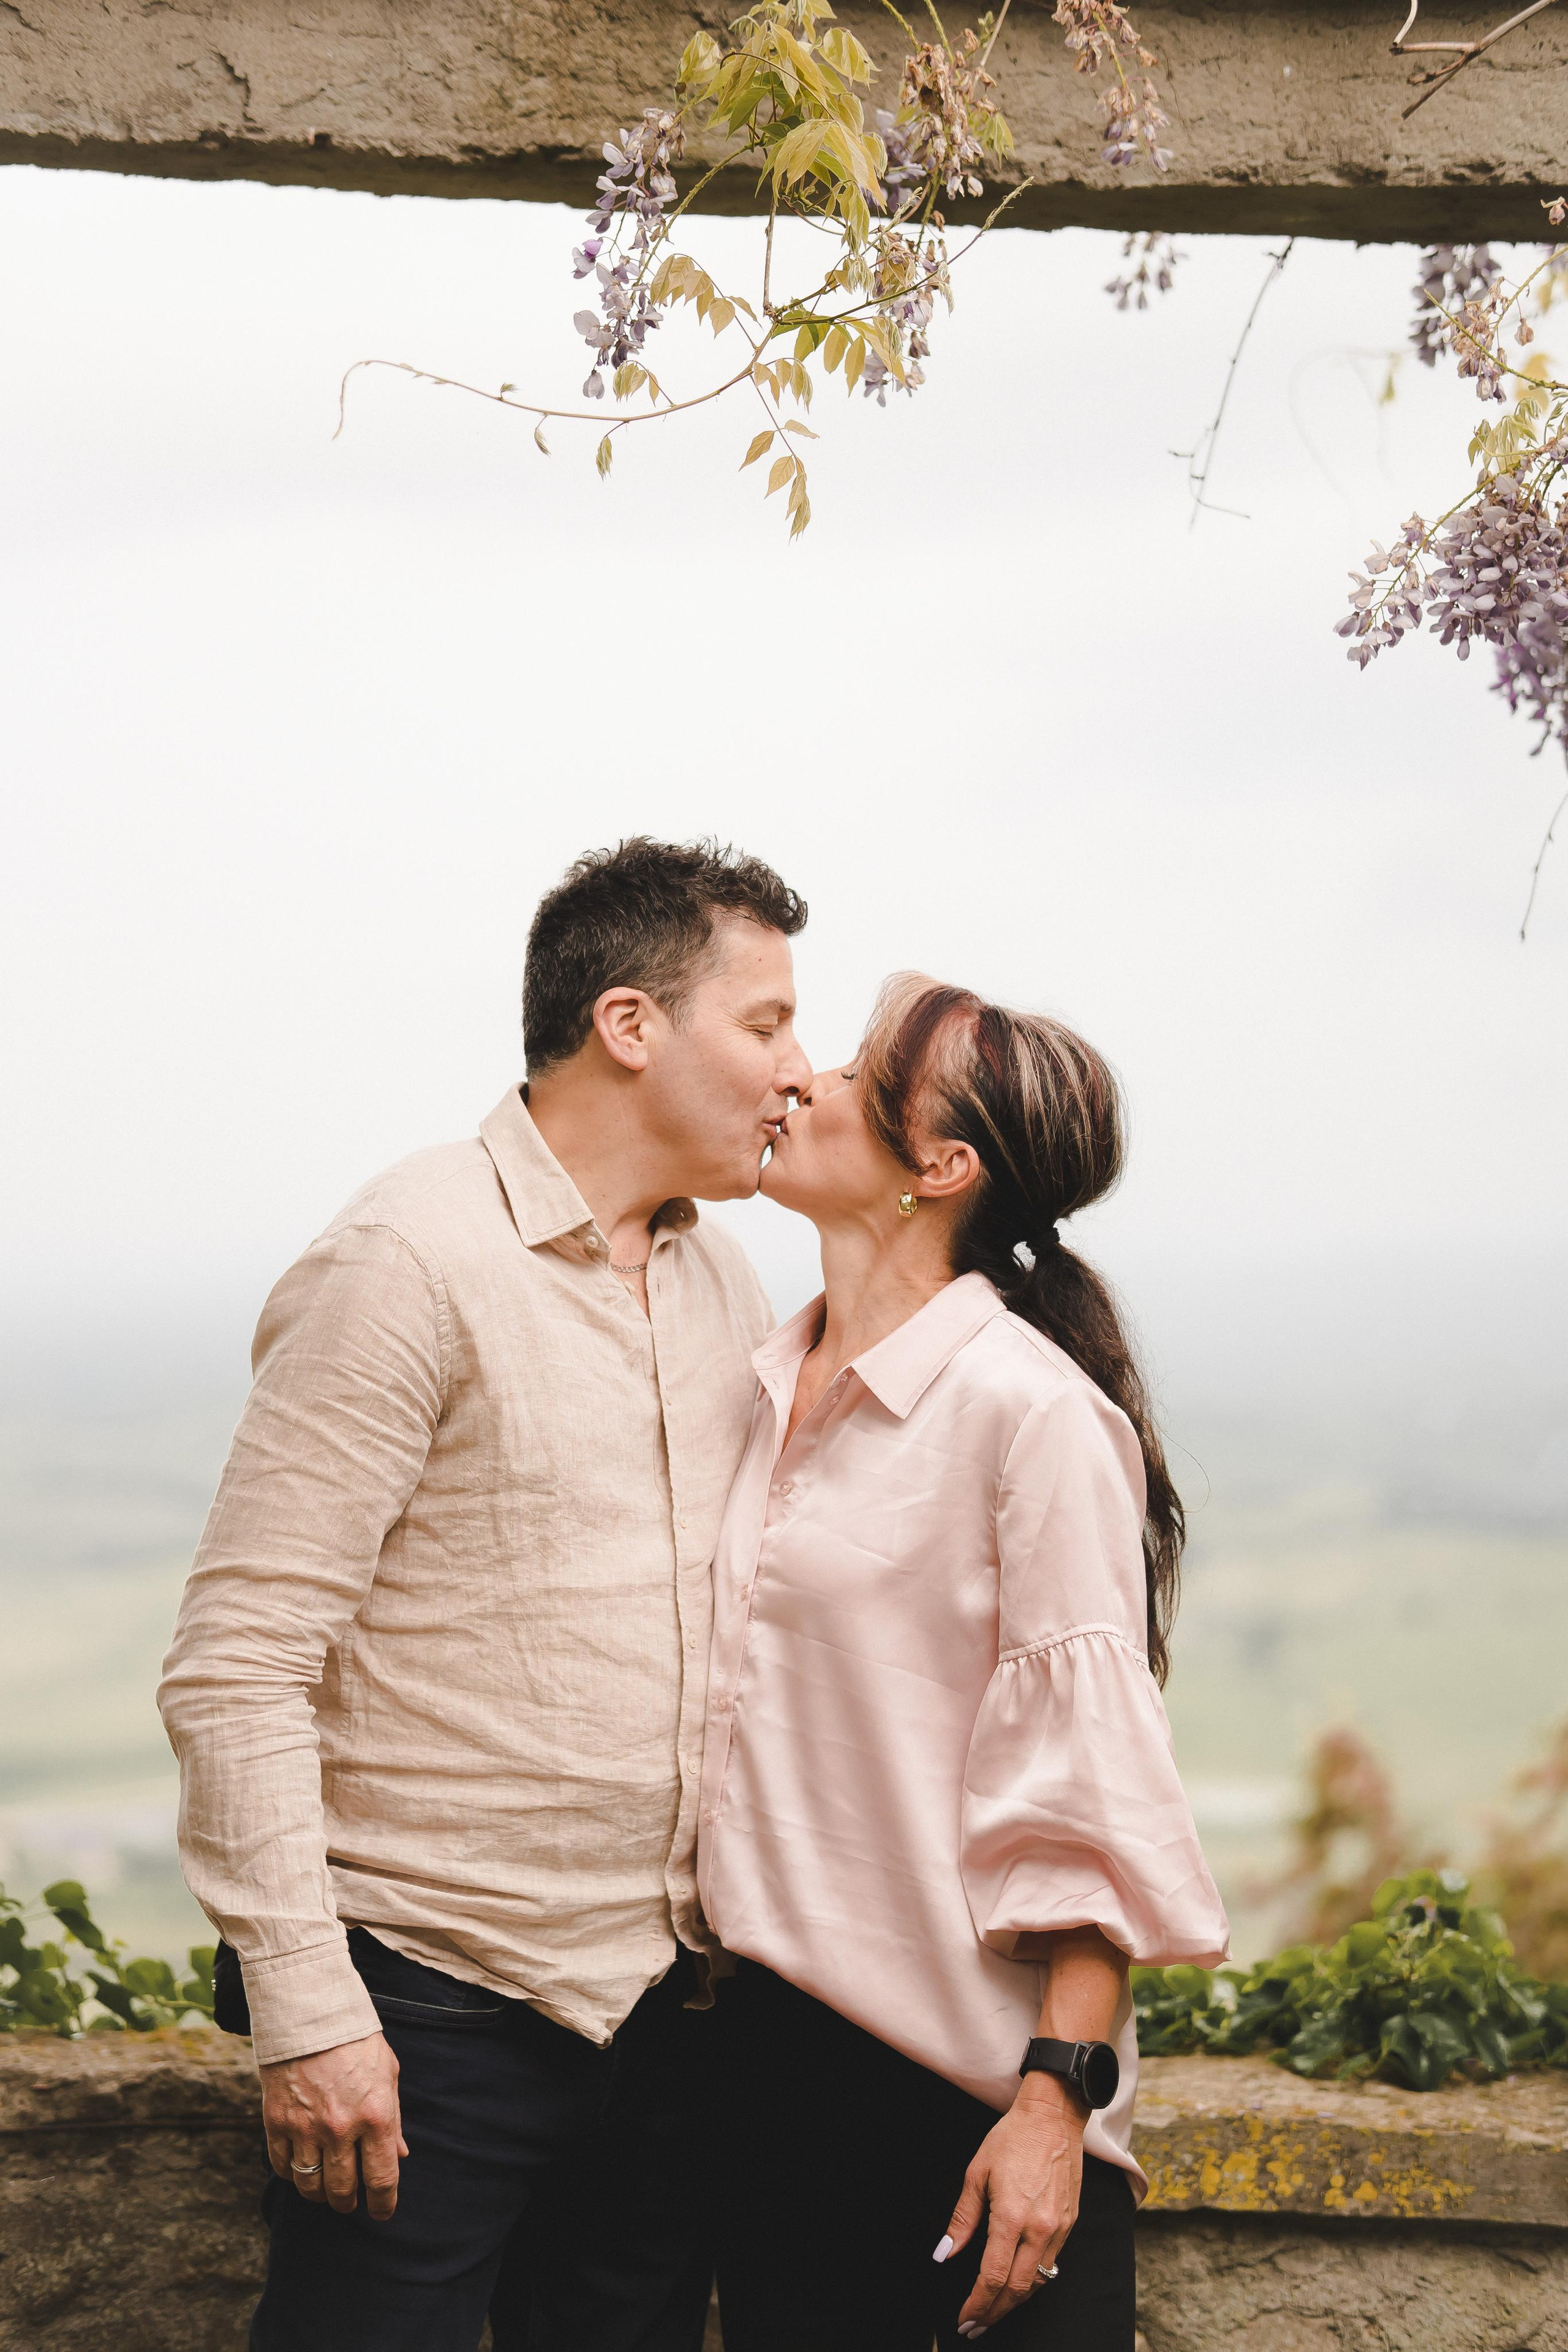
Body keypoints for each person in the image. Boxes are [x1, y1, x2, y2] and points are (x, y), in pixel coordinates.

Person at [157, 837, 812, 2352]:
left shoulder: (726, 1285)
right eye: (766, 1023)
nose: (800, 1070)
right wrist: (310, 2012)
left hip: (667, 2026)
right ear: (631, 1026)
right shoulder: (411, 1255)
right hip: (429, 2015)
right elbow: (238, 1662)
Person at [697, 974, 1229, 2352]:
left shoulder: (1027, 1415)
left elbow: (1089, 1808)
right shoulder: (760, 1382)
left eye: (856, 1072)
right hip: (761, 2086)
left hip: (961, 2108)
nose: (803, 1079)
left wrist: (1054, 2104)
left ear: (938, 1169)